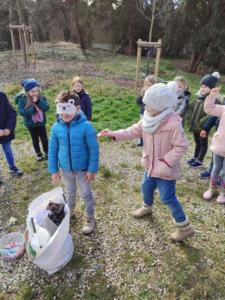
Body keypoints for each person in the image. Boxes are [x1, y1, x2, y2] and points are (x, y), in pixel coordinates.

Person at [100, 83, 194, 242]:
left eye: (149, 106)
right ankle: (147, 207)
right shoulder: (148, 118)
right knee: (146, 187)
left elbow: (181, 146)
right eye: (146, 105)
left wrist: (165, 162)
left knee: (167, 197)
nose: (146, 108)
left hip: (165, 170)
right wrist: (113, 134)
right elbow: (133, 130)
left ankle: (184, 228)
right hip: (150, 166)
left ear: (162, 106)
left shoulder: (173, 123)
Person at [48, 91, 99, 234]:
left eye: (68, 110)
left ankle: (90, 217)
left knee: (86, 194)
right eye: (61, 110)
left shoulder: (86, 127)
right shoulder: (56, 128)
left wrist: (92, 169)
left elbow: (94, 149)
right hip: (65, 170)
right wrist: (53, 170)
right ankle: (71, 212)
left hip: (83, 170)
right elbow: (52, 149)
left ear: (77, 108)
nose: (64, 114)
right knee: (70, 192)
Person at [188, 72, 220, 168]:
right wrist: (191, 119)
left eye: (205, 87)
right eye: (201, 86)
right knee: (197, 142)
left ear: (212, 89)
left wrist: (202, 124)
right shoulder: (199, 98)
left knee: (203, 144)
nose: (202, 88)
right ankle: (195, 156)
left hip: (203, 127)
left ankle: (199, 160)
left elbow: (210, 115)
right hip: (195, 126)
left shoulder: (213, 100)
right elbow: (192, 109)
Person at [15, 79, 49, 161]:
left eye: (37, 90)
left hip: (41, 122)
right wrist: (33, 110)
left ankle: (47, 152)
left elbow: (46, 107)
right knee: (35, 139)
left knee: (44, 138)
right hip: (30, 124)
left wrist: (38, 102)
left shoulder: (40, 97)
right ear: (27, 91)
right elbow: (21, 111)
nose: (35, 93)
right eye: (33, 91)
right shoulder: (22, 99)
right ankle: (38, 154)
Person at [203, 87, 225, 204]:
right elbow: (209, 109)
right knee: (216, 168)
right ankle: (211, 189)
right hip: (220, 146)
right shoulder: (223, 109)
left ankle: (223, 192)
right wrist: (212, 96)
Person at [0, 91, 23, 183]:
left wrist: (8, 128)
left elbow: (12, 112)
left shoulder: (2, 96)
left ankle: (12, 168)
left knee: (8, 150)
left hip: (5, 131)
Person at [136, 75, 156, 146]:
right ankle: (142, 141)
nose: (148, 87)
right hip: (143, 113)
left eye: (150, 85)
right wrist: (141, 95)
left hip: (151, 114)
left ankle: (149, 141)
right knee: (142, 127)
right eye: (146, 85)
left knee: (149, 128)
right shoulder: (144, 93)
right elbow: (138, 102)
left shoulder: (155, 94)